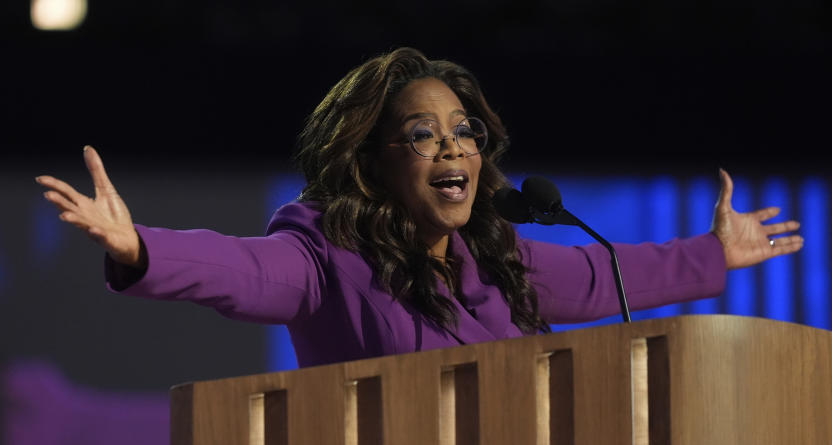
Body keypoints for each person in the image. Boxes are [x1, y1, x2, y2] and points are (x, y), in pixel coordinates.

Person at [35, 48, 803, 368]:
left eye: (465, 133)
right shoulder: (322, 256)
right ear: (371, 162)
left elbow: (608, 280)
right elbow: (237, 270)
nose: (455, 150)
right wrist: (138, 248)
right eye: (423, 135)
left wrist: (716, 255)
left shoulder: (502, 260)